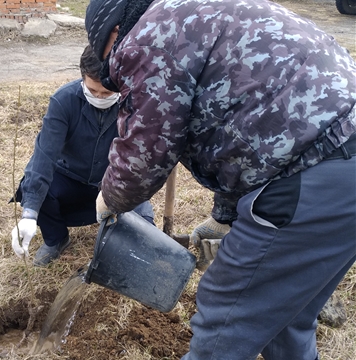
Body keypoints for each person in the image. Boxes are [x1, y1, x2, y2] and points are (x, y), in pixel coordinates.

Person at [85, 0, 356, 359]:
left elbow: (147, 147)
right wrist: (223, 216)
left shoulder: (146, 38)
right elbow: (251, 120)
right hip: (338, 157)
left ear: (115, 32)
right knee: (287, 313)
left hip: (317, 170)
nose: (108, 67)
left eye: (103, 52)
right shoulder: (198, 13)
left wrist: (110, 198)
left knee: (226, 313)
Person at [10, 45, 155, 267]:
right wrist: (29, 214)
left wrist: (144, 220)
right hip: (70, 178)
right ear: (82, 79)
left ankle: (132, 239)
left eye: (107, 93)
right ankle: (56, 239)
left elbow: (139, 163)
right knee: (37, 188)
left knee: (143, 232)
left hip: (112, 181)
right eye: (92, 90)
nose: (99, 97)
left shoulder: (135, 103)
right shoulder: (63, 101)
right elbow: (44, 157)